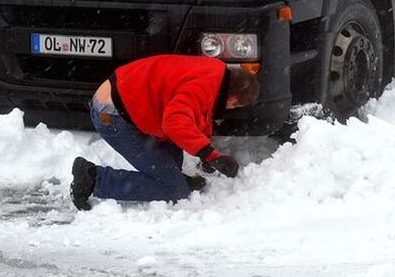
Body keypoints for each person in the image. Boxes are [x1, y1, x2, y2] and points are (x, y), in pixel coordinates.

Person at [70, 54, 259, 211]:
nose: (230, 108)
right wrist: (209, 153)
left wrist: (205, 151)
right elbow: (174, 121)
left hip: (130, 103)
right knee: (175, 191)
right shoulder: (206, 86)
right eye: (234, 106)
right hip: (113, 116)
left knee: (172, 171)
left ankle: (173, 178)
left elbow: (200, 111)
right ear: (233, 99)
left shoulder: (214, 73)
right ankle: (93, 178)